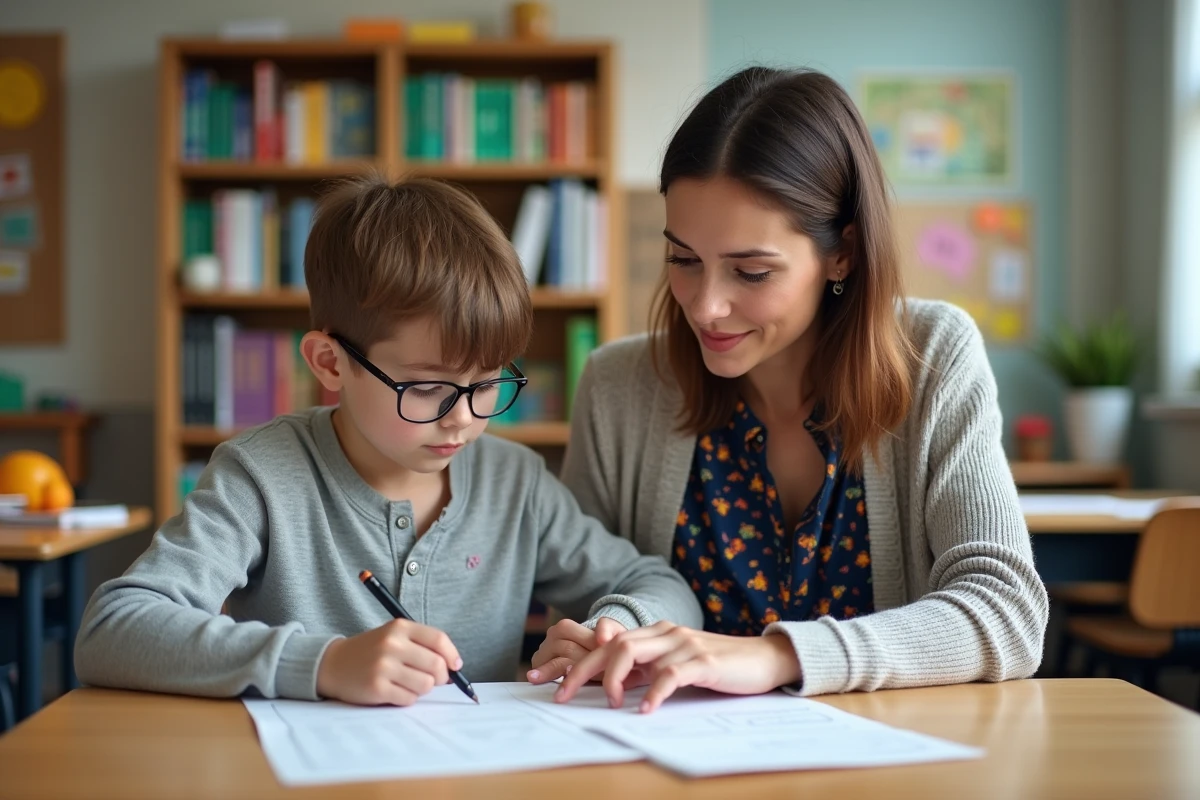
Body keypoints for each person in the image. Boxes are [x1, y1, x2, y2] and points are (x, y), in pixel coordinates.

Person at [533, 67, 1048, 714]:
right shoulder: (617, 387)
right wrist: (607, 629)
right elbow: (585, 603)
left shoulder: (934, 356)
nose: (706, 306)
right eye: (682, 260)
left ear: (843, 254)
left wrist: (776, 656)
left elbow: (1005, 615)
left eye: (751, 271)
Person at [75, 174, 702, 706]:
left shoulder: (515, 483)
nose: (464, 419)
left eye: (487, 383)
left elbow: (663, 585)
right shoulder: (262, 475)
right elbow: (114, 628)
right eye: (427, 388)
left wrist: (616, 625)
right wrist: (321, 663)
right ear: (329, 364)